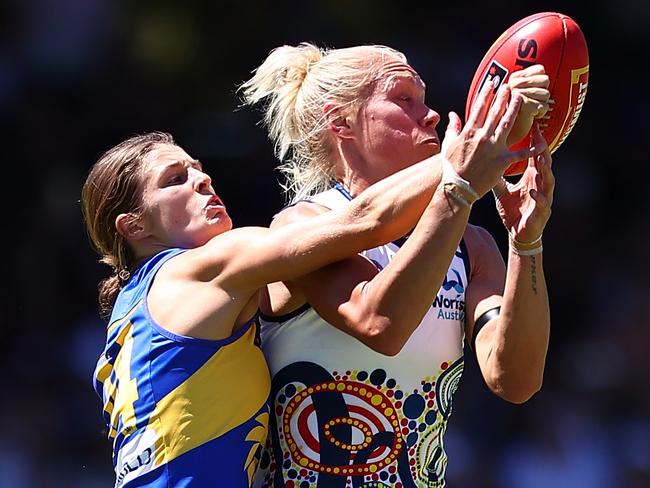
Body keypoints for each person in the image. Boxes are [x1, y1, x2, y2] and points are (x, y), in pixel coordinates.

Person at [82, 94, 533, 488]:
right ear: (133, 226)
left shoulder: (131, 310)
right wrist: (460, 160)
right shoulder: (204, 268)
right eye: (174, 179)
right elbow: (363, 222)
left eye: (198, 169)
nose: (202, 180)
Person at [240, 43, 554, 487]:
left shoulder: (473, 245)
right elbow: (380, 324)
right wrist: (461, 179)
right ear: (341, 122)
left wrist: (527, 241)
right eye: (404, 99)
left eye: (424, 99)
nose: (430, 116)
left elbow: (515, 379)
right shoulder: (302, 226)